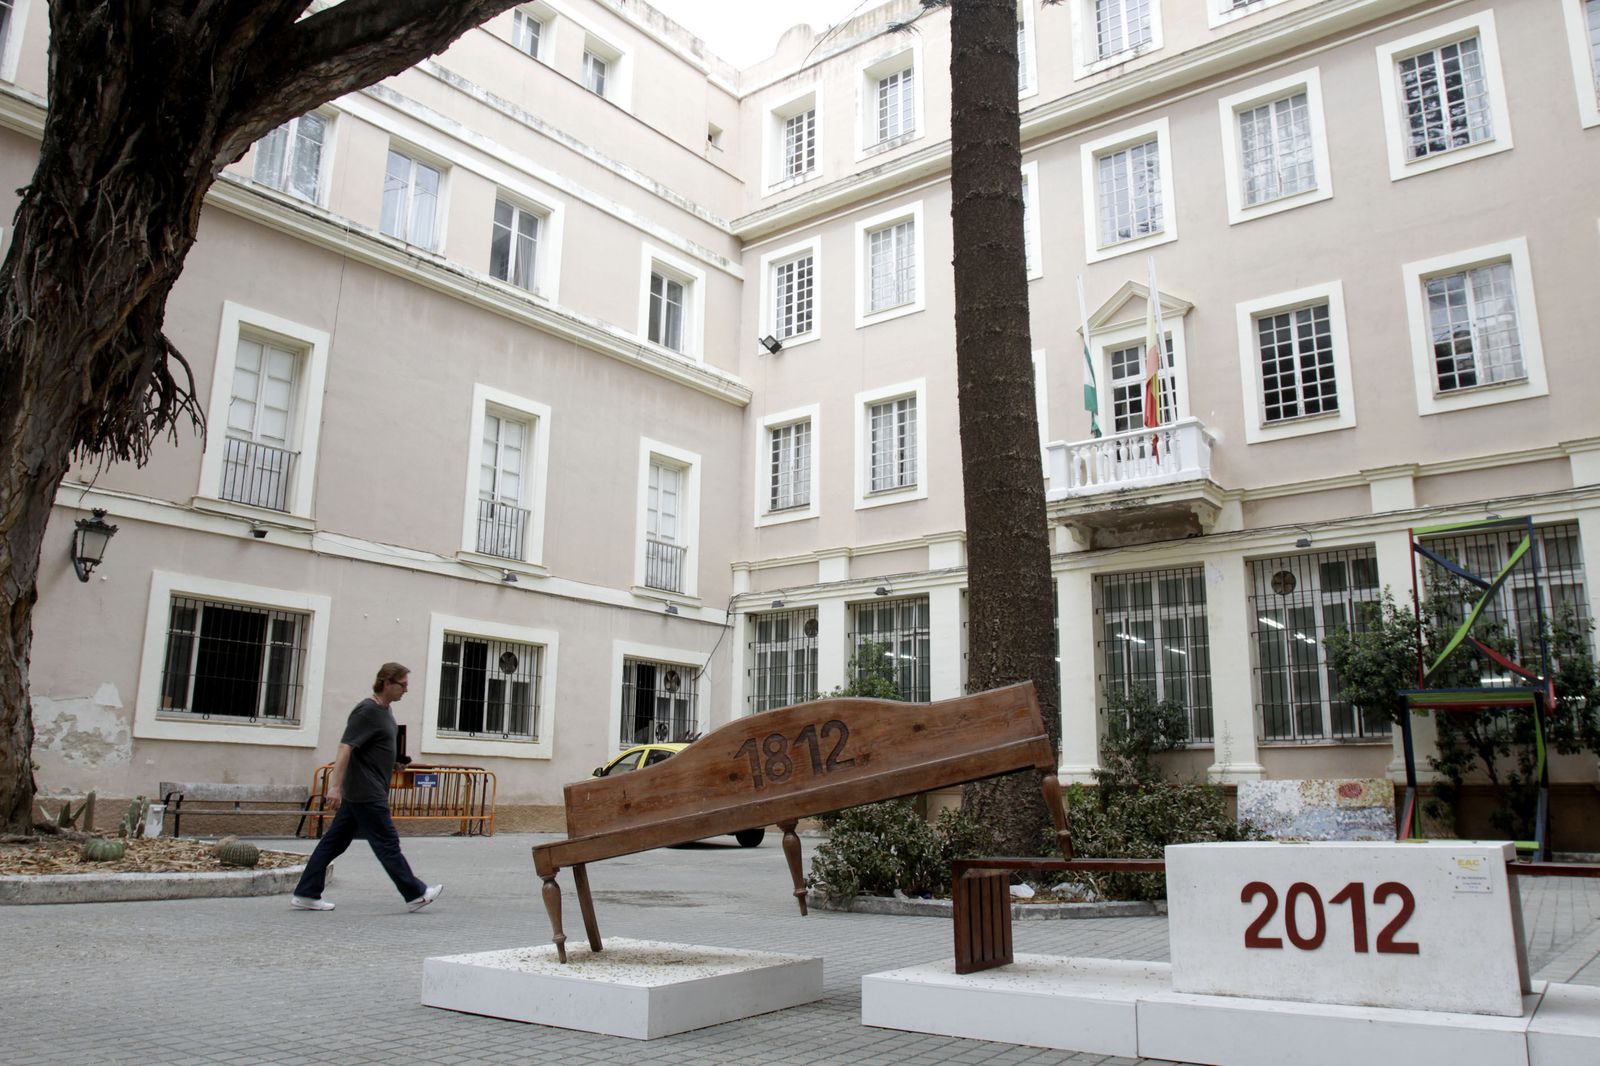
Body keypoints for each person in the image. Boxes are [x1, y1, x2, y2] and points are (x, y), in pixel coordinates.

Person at [290, 662, 443, 913]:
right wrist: (335, 787)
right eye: (402, 685)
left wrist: (394, 762)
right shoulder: (366, 710)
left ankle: (306, 893)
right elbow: (345, 747)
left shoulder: (386, 711)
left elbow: (372, 748)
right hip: (366, 791)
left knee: (333, 843)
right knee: (387, 842)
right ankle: (415, 893)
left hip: (366, 790)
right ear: (386, 683)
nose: (406, 690)